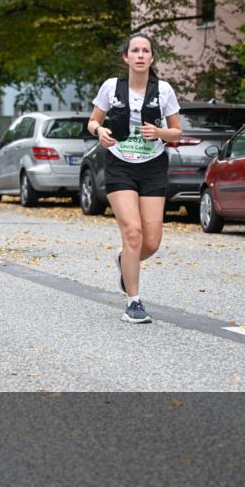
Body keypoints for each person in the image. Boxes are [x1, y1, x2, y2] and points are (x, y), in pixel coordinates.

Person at [87, 33, 182, 324]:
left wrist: (160, 133)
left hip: (152, 166)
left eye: (146, 51)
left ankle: (124, 261)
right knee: (132, 233)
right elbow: (93, 120)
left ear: (151, 58)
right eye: (135, 51)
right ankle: (134, 302)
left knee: (151, 242)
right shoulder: (111, 87)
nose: (140, 55)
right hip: (120, 165)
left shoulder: (164, 90)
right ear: (126, 57)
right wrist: (99, 131)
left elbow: (177, 132)